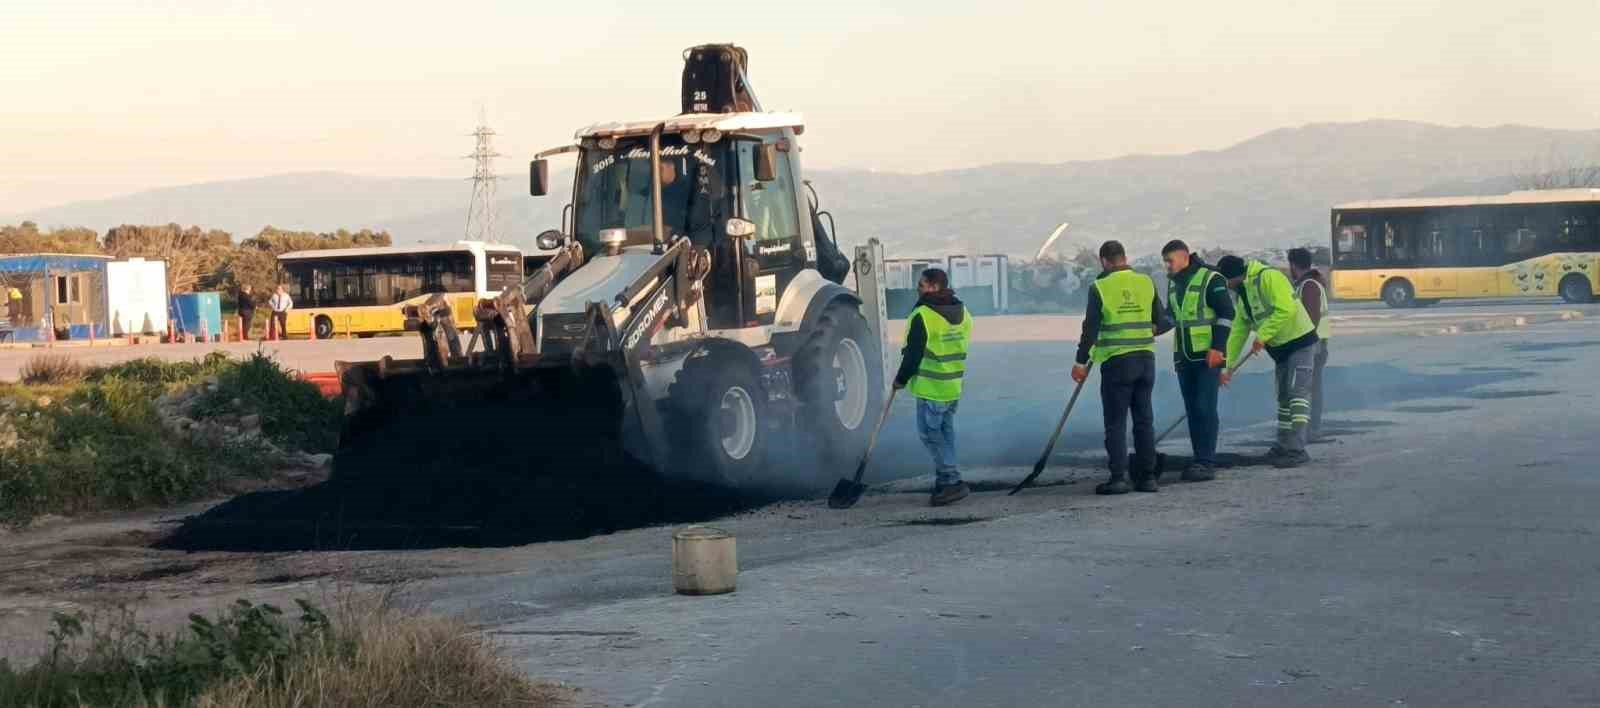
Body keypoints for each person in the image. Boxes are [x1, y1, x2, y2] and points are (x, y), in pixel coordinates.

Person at [1073, 240, 1172, 494]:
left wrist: (1080, 362)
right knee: (1143, 421)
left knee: (1116, 423)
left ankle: (1119, 478)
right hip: (1146, 360)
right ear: (1125, 257)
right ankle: (1148, 478)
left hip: (1117, 363)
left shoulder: (1100, 287)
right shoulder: (1145, 282)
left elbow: (1090, 329)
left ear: (1104, 261)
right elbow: (1161, 322)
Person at [1216, 255, 1319, 468]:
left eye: (1226, 282)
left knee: (1297, 394)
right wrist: (1227, 366)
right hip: (1279, 348)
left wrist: (1262, 335)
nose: (1226, 287)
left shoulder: (1269, 277)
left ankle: (1297, 449)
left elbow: (1286, 308)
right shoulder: (1242, 294)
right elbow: (1238, 331)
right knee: (1283, 396)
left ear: (1234, 277)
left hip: (1300, 342)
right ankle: (1283, 445)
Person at [893, 267, 974, 507]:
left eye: (921, 284)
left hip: (932, 388)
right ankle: (945, 478)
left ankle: (951, 480)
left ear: (934, 286)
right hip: (952, 385)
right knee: (945, 433)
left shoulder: (923, 315)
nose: (918, 288)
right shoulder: (963, 312)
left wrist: (901, 378)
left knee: (930, 435)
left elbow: (913, 354)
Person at [1161, 240, 1235, 482]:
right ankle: (1198, 459)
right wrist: (1149, 329)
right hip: (1184, 357)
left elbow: (1227, 313)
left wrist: (1218, 348)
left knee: (1204, 408)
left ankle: (1206, 462)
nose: (1167, 266)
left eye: (1170, 261)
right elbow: (1171, 317)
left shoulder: (1210, 279)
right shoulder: (1174, 284)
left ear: (1183, 257)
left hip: (1206, 357)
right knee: (1193, 410)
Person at [1288, 248, 1331, 442]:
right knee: (1311, 387)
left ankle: (1312, 429)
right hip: (1317, 342)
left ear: (1293, 266)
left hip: (1313, 344)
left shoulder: (1309, 286)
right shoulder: (1309, 284)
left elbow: (1311, 318)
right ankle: (1312, 428)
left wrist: (1300, 342)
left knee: (1309, 388)